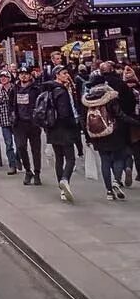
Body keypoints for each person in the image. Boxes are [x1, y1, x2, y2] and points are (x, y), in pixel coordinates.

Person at [81, 77, 136, 200]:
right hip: (113, 133)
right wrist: (135, 122)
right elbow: (120, 115)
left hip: (97, 135)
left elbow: (83, 119)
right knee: (118, 158)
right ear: (104, 83)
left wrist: (88, 136)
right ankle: (116, 180)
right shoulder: (110, 97)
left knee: (104, 161)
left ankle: (109, 192)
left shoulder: (87, 100)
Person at [43, 67, 83, 201]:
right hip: (64, 129)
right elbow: (65, 113)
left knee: (59, 158)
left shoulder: (50, 90)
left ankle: (62, 189)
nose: (67, 75)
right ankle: (65, 180)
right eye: (64, 73)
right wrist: (73, 124)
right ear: (57, 75)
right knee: (70, 158)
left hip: (52, 129)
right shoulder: (62, 92)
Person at [11, 67, 43, 185]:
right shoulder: (15, 89)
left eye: (26, 74)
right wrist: (12, 116)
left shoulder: (36, 89)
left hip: (33, 124)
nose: (23, 76)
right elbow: (11, 104)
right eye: (21, 74)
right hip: (19, 124)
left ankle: (37, 173)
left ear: (30, 76)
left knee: (36, 150)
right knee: (21, 147)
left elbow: (41, 104)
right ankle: (28, 171)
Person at [0, 70, 18, 174]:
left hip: (16, 120)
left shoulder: (15, 89)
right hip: (4, 121)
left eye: (5, 77)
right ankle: (12, 165)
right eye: (1, 77)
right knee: (8, 144)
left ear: (9, 78)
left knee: (20, 144)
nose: (3, 79)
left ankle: (18, 159)